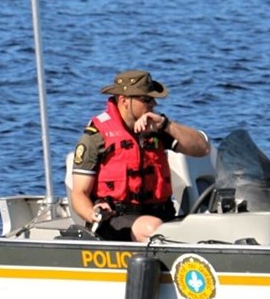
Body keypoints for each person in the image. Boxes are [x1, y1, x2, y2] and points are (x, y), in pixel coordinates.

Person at [69, 68, 211, 242]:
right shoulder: (96, 136)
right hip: (115, 220)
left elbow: (202, 149)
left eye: (153, 99)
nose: (153, 104)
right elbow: (79, 194)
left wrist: (166, 125)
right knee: (152, 228)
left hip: (162, 215)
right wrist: (94, 214)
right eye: (146, 99)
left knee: (204, 227)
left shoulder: (155, 127)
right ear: (124, 101)